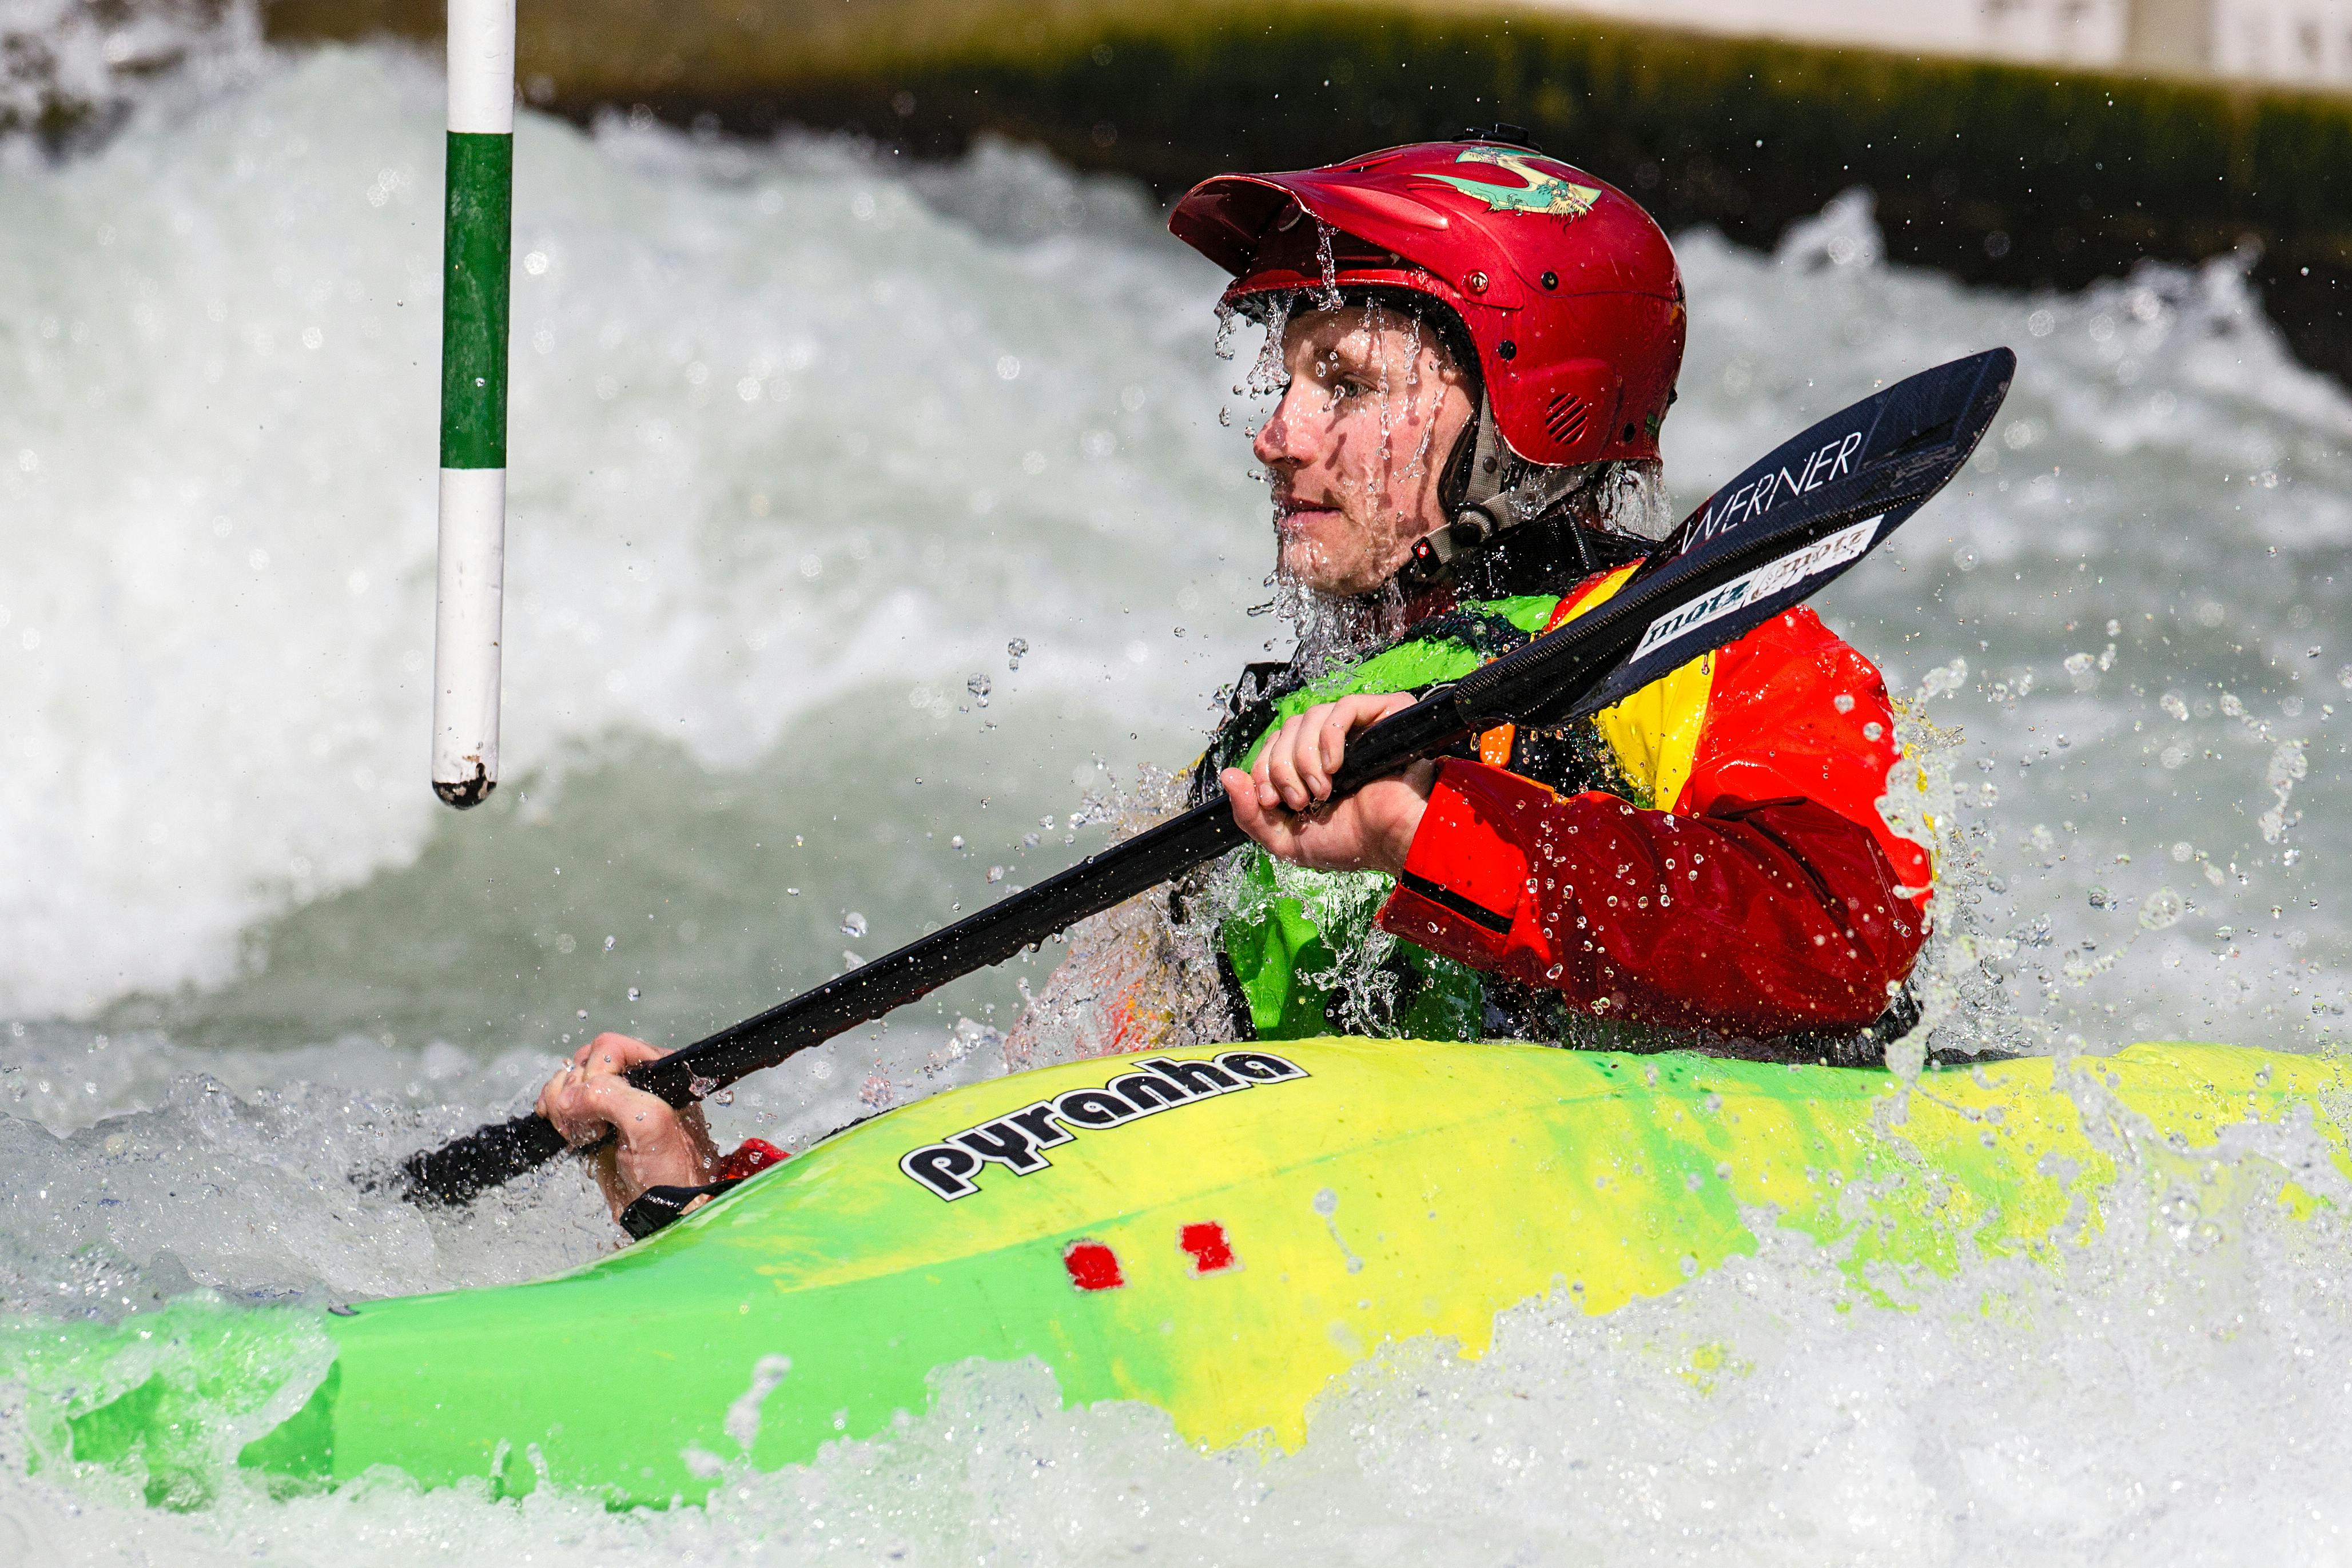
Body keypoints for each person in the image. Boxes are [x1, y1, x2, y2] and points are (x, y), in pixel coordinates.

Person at [543, 130, 1933, 1234]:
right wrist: (709, 1191)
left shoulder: (1716, 651)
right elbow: (1091, 1117)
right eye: (1284, 381)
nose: (1276, 434)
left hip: (1635, 1227)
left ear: (1531, 409)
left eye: (1344, 382)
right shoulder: (1275, 726)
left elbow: (1842, 934)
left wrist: (1425, 825)